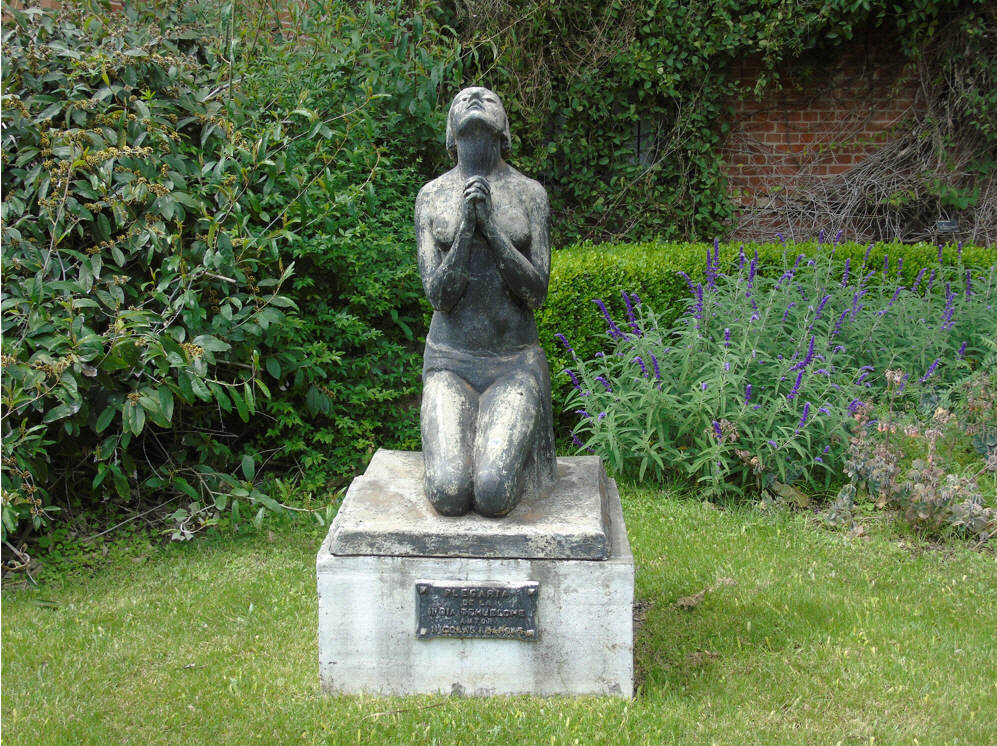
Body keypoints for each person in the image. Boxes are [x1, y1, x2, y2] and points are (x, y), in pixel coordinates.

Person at [415, 87, 557, 518]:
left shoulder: (530, 194)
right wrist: (465, 229)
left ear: (504, 128)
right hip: (450, 363)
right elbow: (439, 296)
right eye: (462, 99)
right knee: (448, 492)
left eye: (489, 98)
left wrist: (492, 229)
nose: (475, 97)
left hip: (514, 364)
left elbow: (536, 292)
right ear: (450, 131)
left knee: (494, 492)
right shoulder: (431, 196)